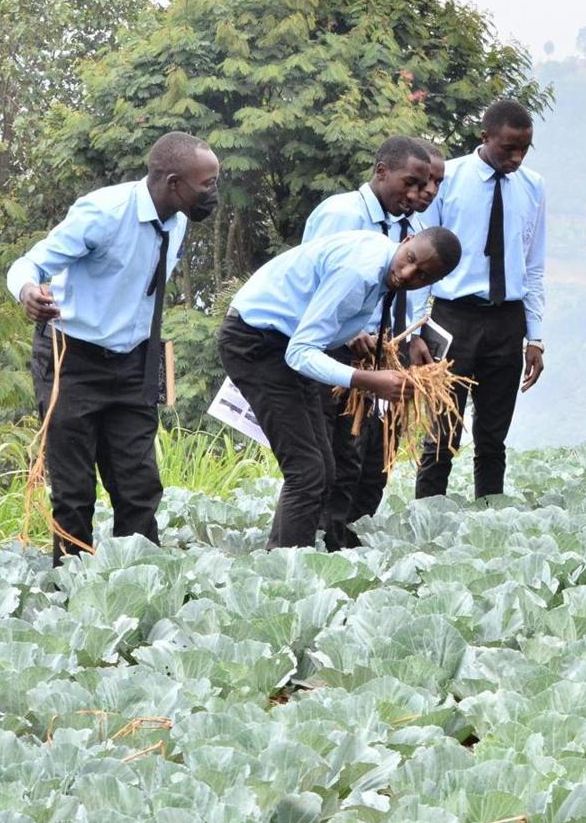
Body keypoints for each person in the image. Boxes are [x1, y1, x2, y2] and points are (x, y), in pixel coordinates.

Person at [7, 131, 220, 561]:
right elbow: (30, 263)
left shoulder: (176, 221)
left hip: (133, 363)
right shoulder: (104, 213)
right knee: (74, 489)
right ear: (174, 182)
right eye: (207, 183)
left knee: (139, 486)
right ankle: (70, 594)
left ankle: (136, 588)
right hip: (73, 360)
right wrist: (28, 290)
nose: (214, 192)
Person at [219, 228, 462, 549]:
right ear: (405, 242)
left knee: (323, 468)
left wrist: (353, 335)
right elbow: (300, 352)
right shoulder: (360, 272)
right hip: (257, 344)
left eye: (422, 276)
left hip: (281, 343)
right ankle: (285, 575)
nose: (407, 274)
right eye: (410, 259)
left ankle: (282, 560)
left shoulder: (380, 263)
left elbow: (318, 313)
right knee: (306, 472)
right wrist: (367, 380)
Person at [300, 135, 436, 547]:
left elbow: (407, 292)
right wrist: (353, 331)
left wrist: (410, 336)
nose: (418, 195)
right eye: (410, 184)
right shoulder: (341, 214)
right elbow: (310, 283)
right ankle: (322, 542)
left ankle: (351, 539)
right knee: (338, 457)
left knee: (374, 461)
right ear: (381, 172)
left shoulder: (410, 229)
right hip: (338, 351)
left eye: (426, 186)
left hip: (385, 354)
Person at [416, 101, 547, 500]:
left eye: (525, 148)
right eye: (509, 147)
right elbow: (420, 258)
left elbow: (534, 265)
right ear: (485, 137)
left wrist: (535, 337)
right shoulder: (447, 180)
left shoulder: (533, 186)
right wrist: (416, 329)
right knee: (442, 433)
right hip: (451, 318)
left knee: (493, 436)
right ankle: (427, 517)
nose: (517, 156)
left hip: (507, 320)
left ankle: (489, 520)